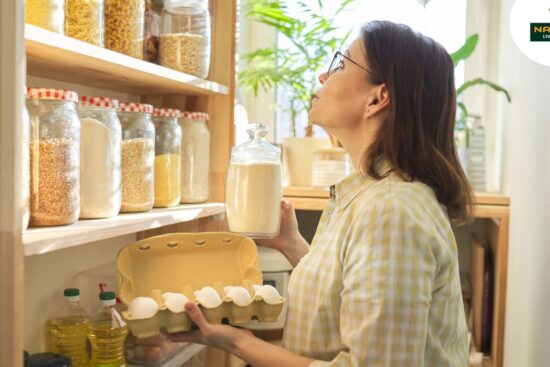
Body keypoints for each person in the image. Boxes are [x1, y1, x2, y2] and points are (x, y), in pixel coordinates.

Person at [164, 20, 471, 366]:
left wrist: (239, 343)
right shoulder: (370, 194)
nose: (324, 77)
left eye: (341, 64)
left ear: (378, 98)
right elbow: (351, 290)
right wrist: (292, 244)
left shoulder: (390, 211)